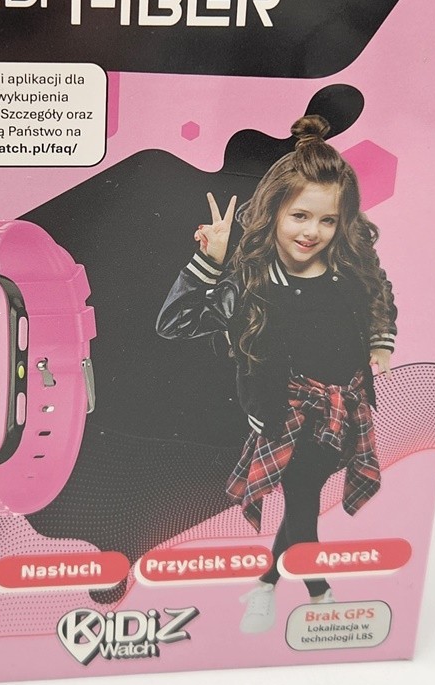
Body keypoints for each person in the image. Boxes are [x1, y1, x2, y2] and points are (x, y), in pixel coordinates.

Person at [156, 115, 397, 633]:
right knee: (304, 502)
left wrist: (381, 341)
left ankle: (265, 584)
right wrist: (209, 261)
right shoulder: (250, 283)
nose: (312, 232)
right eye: (300, 216)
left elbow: (380, 293)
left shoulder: (348, 269)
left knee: (301, 503)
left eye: (327, 221)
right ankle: (319, 595)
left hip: (344, 412)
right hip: (284, 417)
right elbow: (174, 323)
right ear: (274, 212)